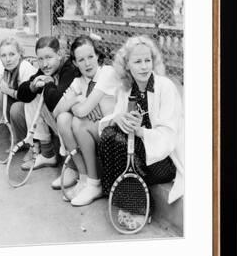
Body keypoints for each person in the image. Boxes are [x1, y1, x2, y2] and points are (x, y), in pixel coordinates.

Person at [97, 35, 184, 230]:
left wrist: (140, 132)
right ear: (126, 65)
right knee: (109, 134)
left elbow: (169, 137)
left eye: (148, 60)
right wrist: (117, 118)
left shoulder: (165, 87)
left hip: (165, 161)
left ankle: (140, 208)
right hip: (138, 154)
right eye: (137, 61)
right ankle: (127, 200)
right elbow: (115, 122)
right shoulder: (127, 89)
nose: (144, 66)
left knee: (118, 141)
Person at [53, 35, 120, 206]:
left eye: (90, 57)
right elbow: (56, 112)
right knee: (63, 119)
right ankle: (83, 178)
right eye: (81, 60)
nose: (87, 63)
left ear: (97, 55)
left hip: (112, 133)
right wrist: (76, 100)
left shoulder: (107, 72)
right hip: (92, 132)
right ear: (74, 63)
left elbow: (82, 112)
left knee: (78, 121)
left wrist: (79, 104)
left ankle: (94, 183)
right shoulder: (78, 81)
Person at [13, 36, 79, 171]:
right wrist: (33, 86)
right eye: (40, 59)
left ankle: (72, 167)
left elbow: (56, 103)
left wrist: (48, 83)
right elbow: (22, 94)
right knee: (32, 94)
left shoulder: (70, 69)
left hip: (74, 122)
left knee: (46, 95)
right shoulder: (46, 69)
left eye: (48, 57)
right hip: (59, 120)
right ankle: (47, 153)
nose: (44, 64)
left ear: (60, 55)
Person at [0, 38, 48, 144]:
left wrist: (8, 91)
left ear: (20, 54)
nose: (8, 59)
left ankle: (25, 142)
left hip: (36, 108)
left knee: (16, 108)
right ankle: (6, 139)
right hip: (22, 102)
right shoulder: (5, 70)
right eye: (3, 56)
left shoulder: (24, 67)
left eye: (12, 54)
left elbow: (26, 97)